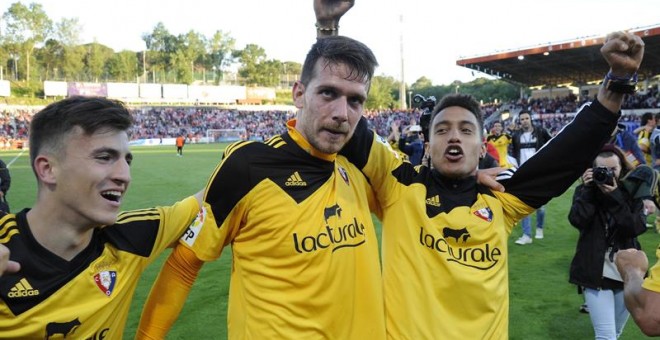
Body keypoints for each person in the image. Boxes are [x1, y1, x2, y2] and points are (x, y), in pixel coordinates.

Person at [338, 31, 644, 339]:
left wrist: (616, 83)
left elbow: (565, 154)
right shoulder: (398, 184)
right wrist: (328, 28)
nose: (454, 136)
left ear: (482, 147)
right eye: (442, 130)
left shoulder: (500, 198)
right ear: (428, 146)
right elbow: (345, 119)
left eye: (466, 129)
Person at [136, 7, 389, 339]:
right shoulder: (249, 167)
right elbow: (184, 266)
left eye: (355, 101)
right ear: (299, 94)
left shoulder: (360, 166)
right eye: (328, 93)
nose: (342, 113)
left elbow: (420, 198)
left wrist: (472, 177)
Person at [0, 96, 204, 339]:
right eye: (104, 157)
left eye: (127, 160)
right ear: (48, 169)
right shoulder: (5, 249)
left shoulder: (131, 238)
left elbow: (216, 193)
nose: (124, 175)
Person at [568, 144, 648, 339]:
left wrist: (614, 196)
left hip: (627, 270)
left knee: (617, 331)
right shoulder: (584, 191)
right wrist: (587, 191)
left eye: (613, 169)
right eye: (602, 170)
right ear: (592, 170)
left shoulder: (631, 193)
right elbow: (578, 220)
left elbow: (635, 228)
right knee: (606, 336)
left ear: (622, 168)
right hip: (595, 270)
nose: (608, 174)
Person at [511, 110, 553, 244]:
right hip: (523, 174)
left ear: (531, 119)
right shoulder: (516, 135)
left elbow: (553, 144)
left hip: (538, 173)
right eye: (522, 119)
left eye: (526, 118)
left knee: (540, 206)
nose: (524, 121)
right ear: (519, 121)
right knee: (524, 204)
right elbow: (512, 152)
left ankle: (539, 228)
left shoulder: (541, 132)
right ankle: (527, 235)